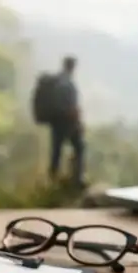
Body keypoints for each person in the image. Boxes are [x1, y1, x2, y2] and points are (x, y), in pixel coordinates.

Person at [48, 56, 86, 186]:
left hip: (55, 121)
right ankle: (76, 179)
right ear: (71, 67)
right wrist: (78, 123)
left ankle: (53, 179)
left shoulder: (57, 81)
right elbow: (72, 106)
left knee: (56, 151)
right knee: (79, 147)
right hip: (68, 121)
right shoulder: (68, 83)